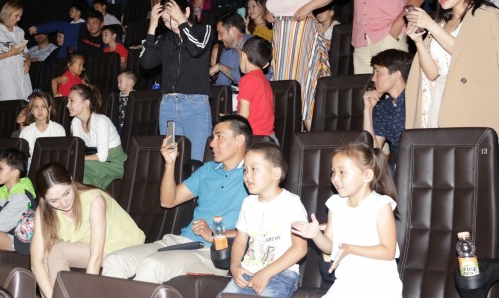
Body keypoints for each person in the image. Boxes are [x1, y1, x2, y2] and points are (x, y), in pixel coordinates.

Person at [101, 115, 251, 283]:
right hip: (181, 242)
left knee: (153, 265)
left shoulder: (253, 175)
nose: (212, 143)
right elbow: (168, 201)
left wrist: (215, 235)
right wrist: (170, 164)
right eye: (213, 137)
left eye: (219, 137)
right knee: (114, 260)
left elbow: (258, 228)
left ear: (239, 140)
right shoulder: (208, 170)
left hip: (214, 253)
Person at [292, 142, 402, 297]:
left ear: (367, 175)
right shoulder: (335, 204)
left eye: (342, 172)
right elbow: (329, 248)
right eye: (333, 172)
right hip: (346, 282)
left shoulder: (381, 205)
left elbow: (388, 251)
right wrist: (316, 235)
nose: (335, 178)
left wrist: (351, 249)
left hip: (379, 284)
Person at [405, 0, 499, 134]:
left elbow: (470, 56)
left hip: (470, 99)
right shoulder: (442, 22)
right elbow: (432, 74)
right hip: (439, 98)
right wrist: (418, 41)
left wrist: (430, 25)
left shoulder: (485, 14)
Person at [31, 163, 146, 298]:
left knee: (58, 251)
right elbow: (36, 263)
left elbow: (95, 258)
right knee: (46, 253)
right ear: (43, 198)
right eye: (54, 200)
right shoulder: (43, 211)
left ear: (71, 179)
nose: (64, 203)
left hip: (125, 248)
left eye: (67, 193)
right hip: (92, 248)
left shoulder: (94, 200)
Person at [262, 0, 335, 127]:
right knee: (287, 89)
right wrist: (269, 14)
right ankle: (294, 137)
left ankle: (315, 136)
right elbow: (277, 5)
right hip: (282, 42)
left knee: (305, 87)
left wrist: (308, 7)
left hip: (302, 37)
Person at [221, 144, 307, 296]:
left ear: (275, 173)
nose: (247, 175)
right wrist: (234, 266)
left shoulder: (291, 203)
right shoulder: (248, 203)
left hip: (281, 274)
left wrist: (265, 273)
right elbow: (240, 241)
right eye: (245, 170)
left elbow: (300, 248)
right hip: (247, 272)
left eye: (254, 169)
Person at [140, 0, 213, 161]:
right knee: (172, 162)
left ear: (186, 11)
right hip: (168, 106)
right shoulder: (165, 40)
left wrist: (182, 23)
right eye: (166, 21)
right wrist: (152, 27)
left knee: (196, 161)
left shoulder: (204, 30)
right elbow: (146, 62)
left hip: (196, 106)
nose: (171, 24)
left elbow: (196, 49)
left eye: (174, 17)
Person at [362, 49, 412, 176]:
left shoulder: (418, 101)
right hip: (395, 168)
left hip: (419, 162)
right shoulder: (383, 107)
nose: (373, 79)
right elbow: (373, 151)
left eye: (378, 72)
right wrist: (368, 110)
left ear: (396, 75)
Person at [67, 84, 126, 189]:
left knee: (79, 167)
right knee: (74, 166)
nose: (67, 105)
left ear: (86, 103)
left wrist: (79, 159)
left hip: (113, 162)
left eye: (71, 101)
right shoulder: (75, 122)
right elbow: (78, 150)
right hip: (94, 160)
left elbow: (102, 157)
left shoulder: (100, 121)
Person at [0, 0, 32, 101]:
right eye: (16, 16)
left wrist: (28, 61)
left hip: (21, 70)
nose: (18, 19)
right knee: (11, 101)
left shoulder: (20, 31)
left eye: (20, 16)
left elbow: (26, 51)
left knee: (27, 99)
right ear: (7, 14)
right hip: (6, 72)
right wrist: (10, 53)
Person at [237, 37, 276, 140]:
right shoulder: (264, 80)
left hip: (254, 139)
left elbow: (244, 114)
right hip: (269, 139)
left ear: (243, 55)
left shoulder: (247, 79)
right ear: (266, 65)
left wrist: (231, 126)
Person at [19, 91, 66, 158]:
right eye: (36, 107)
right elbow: (20, 156)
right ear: (32, 110)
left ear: (49, 108)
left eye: (43, 106)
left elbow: (61, 155)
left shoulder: (58, 130)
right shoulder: (26, 132)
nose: (40, 110)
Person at [211, 12, 251, 88]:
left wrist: (221, 67)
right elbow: (222, 83)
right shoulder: (227, 51)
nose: (219, 38)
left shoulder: (255, 45)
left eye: (221, 33)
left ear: (234, 31)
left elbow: (252, 81)